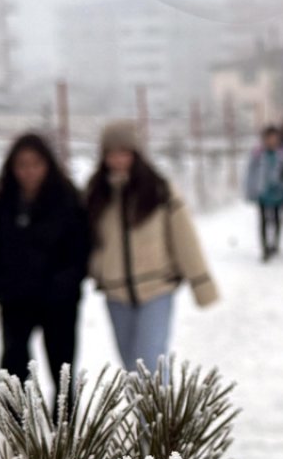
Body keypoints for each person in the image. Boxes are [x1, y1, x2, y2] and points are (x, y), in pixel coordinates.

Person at [83, 121, 219, 372]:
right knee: (130, 365)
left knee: (151, 362)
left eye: (124, 152)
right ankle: (143, 412)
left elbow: (184, 239)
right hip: (116, 293)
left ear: (136, 153)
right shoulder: (96, 195)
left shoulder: (158, 191)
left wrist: (202, 284)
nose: (118, 159)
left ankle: (162, 412)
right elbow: (85, 242)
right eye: (111, 153)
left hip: (157, 288)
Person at [0, 133, 90, 381]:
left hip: (59, 302)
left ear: (47, 165)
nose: (29, 172)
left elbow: (81, 249)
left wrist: (66, 284)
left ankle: (62, 420)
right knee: (13, 368)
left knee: (62, 371)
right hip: (15, 301)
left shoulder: (68, 201)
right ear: (12, 167)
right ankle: (18, 419)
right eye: (22, 165)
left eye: (36, 164)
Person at [245, 126, 283, 261]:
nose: (272, 141)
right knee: (263, 220)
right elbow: (250, 173)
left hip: (279, 191)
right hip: (262, 191)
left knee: (277, 218)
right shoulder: (257, 153)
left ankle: (275, 244)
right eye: (269, 138)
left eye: (274, 138)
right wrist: (250, 190)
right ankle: (265, 247)